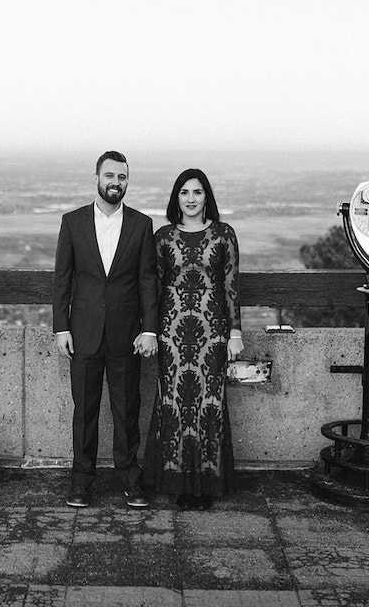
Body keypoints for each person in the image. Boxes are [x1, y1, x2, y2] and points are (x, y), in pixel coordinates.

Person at [52, 150, 159, 509]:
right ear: (96, 178)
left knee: (127, 411)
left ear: (128, 181)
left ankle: (131, 480)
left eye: (122, 177)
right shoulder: (72, 222)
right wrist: (60, 328)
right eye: (110, 176)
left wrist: (149, 330)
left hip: (126, 335)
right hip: (82, 333)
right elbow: (62, 279)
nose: (116, 182)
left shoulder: (143, 225)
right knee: (84, 412)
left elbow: (148, 281)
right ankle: (81, 482)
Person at [144, 168, 243, 509]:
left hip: (212, 334)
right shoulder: (163, 238)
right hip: (171, 335)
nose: (190, 199)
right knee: (173, 404)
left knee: (208, 407)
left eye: (197, 192)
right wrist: (149, 331)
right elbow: (154, 289)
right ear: (176, 198)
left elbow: (231, 286)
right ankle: (176, 482)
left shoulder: (224, 235)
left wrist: (235, 332)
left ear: (206, 197)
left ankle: (206, 486)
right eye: (184, 193)